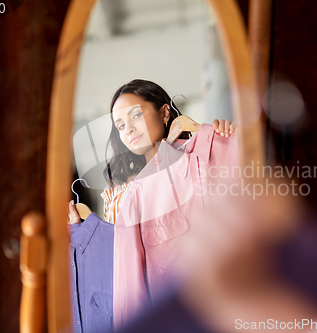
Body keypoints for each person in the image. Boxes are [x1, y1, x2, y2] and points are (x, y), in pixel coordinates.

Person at [67, 79, 236, 332]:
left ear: (165, 112)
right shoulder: (124, 193)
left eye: (135, 115)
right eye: (120, 125)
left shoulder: (210, 148)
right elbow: (121, 270)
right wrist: (87, 226)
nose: (129, 130)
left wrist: (222, 135)